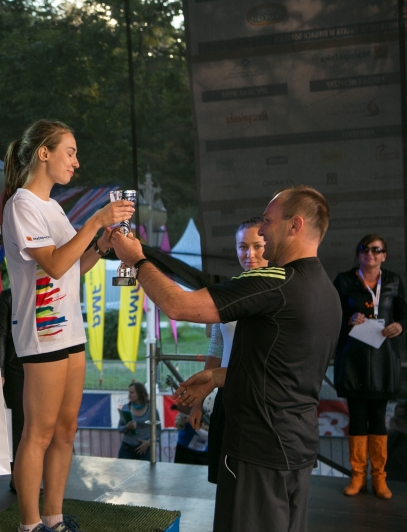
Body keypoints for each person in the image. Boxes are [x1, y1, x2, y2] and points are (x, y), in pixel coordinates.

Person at [110, 185, 342, 532]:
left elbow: (178, 305)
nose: (263, 231)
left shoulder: (274, 282)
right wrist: (217, 377)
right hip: (294, 445)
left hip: (258, 447)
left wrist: (137, 260)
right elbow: (280, 371)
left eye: (268, 221)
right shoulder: (327, 290)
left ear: (295, 225)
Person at [2, 119, 134, 532]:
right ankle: (29, 525)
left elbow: (73, 269)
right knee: (38, 433)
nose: (76, 162)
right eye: (70, 152)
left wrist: (101, 245)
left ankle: (54, 519)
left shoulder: (53, 206)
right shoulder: (21, 204)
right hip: (42, 332)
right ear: (44, 153)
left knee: (65, 430)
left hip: (70, 331)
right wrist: (94, 222)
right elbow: (55, 265)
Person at [188, 216, 268, 483]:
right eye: (243, 247)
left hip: (264, 400)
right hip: (228, 396)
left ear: (270, 245)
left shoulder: (283, 289)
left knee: (256, 484)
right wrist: (198, 403)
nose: (249, 254)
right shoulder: (229, 292)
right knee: (225, 481)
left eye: (257, 246)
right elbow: (216, 348)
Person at [333, 234, 406, 499]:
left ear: (384, 255)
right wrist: (348, 317)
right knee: (357, 418)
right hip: (353, 359)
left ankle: (379, 478)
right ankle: (357, 477)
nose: (370, 254)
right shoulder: (344, 280)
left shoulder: (394, 280)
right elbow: (331, 315)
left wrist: (400, 326)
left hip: (383, 360)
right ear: (358, 253)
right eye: (364, 249)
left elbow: (402, 315)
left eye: (376, 250)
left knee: (377, 418)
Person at [0, 287, 26, 492]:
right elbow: (2, 334)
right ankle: (16, 477)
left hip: (40, 365)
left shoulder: (46, 292)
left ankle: (30, 475)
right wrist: (1, 370)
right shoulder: (8, 296)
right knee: (18, 423)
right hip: (15, 366)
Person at [117, 382, 156, 461]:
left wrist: (149, 442)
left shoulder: (151, 409)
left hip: (144, 448)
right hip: (127, 447)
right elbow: (120, 428)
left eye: (131, 393)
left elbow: (158, 429)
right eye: (129, 392)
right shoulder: (125, 407)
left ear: (140, 393)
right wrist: (127, 427)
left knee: (145, 469)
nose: (129, 395)